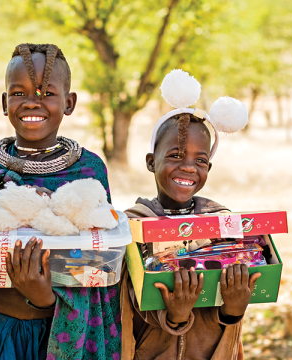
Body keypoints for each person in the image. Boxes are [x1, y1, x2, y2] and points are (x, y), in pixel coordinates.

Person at [0, 43, 121, 360]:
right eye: (19, 93)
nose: (32, 103)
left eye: (46, 94)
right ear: (5, 102)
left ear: (69, 102)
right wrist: (3, 191)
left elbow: (97, 263)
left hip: (56, 335)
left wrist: (43, 297)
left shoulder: (88, 171)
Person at [120, 70, 260, 360]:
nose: (188, 168)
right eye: (175, 156)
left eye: (200, 160)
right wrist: (175, 316)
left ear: (209, 168)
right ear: (151, 161)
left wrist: (234, 309)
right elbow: (126, 303)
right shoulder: (132, 224)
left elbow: (230, 316)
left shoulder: (223, 223)